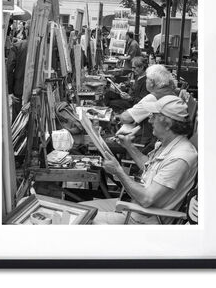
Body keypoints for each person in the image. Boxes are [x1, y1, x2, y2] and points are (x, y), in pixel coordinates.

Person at [83, 95, 198, 224]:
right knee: (79, 209)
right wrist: (129, 146)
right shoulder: (168, 144)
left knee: (77, 218)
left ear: (168, 124)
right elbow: (149, 168)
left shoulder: (179, 158)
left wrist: (118, 171)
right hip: (132, 207)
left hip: (142, 219)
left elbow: (147, 199)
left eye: (154, 116)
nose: (150, 120)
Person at [6, 39, 28, 123]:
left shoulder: (17, 46)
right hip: (36, 89)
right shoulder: (41, 45)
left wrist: (10, 91)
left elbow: (9, 69)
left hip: (19, 88)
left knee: (18, 122)